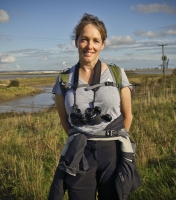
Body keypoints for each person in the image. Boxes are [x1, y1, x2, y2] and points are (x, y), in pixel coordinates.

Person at [48, 13, 141, 200]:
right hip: (81, 153)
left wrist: (116, 140)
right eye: (84, 40)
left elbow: (127, 115)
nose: (90, 46)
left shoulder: (117, 73)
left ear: (102, 45)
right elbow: (64, 120)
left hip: (112, 151)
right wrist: (82, 138)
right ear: (76, 42)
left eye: (96, 41)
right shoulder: (64, 79)